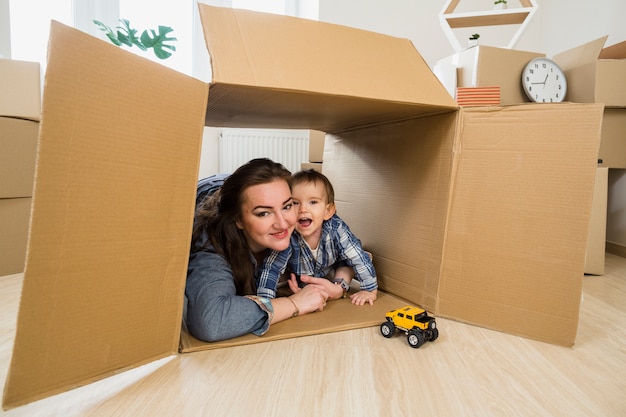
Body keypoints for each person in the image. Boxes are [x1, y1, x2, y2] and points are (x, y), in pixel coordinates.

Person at [185, 158, 334, 343]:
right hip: (206, 194)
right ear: (238, 220)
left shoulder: (305, 217)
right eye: (264, 213)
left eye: (287, 206)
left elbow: (348, 256)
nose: (283, 223)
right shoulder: (212, 247)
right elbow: (212, 322)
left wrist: (339, 285)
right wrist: (294, 303)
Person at [257, 169, 378, 305]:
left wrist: (370, 290)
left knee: (353, 259)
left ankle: (339, 285)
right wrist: (265, 302)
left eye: (313, 202)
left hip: (333, 266)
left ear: (328, 211)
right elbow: (271, 268)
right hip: (300, 274)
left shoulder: (336, 228)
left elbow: (355, 256)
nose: (303, 209)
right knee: (274, 274)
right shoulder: (288, 233)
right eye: (295, 203)